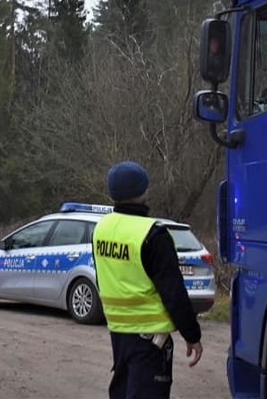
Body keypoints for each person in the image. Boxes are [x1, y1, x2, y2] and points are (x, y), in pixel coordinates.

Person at [92, 160, 203, 399]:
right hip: (151, 340)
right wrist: (192, 336)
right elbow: (173, 291)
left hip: (119, 334)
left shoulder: (101, 229)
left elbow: (104, 278)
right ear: (143, 190)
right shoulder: (153, 234)